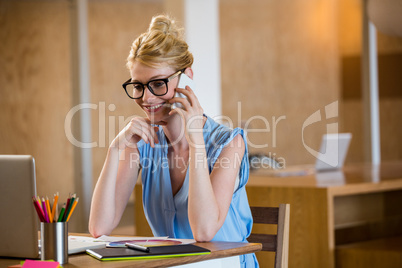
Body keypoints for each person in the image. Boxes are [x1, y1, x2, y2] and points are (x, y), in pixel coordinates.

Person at [88, 14, 258, 267]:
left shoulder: (229, 143)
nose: (146, 98)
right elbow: (99, 227)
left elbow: (204, 231)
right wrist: (116, 148)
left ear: (186, 77)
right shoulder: (142, 144)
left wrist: (195, 140)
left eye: (158, 84)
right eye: (138, 86)